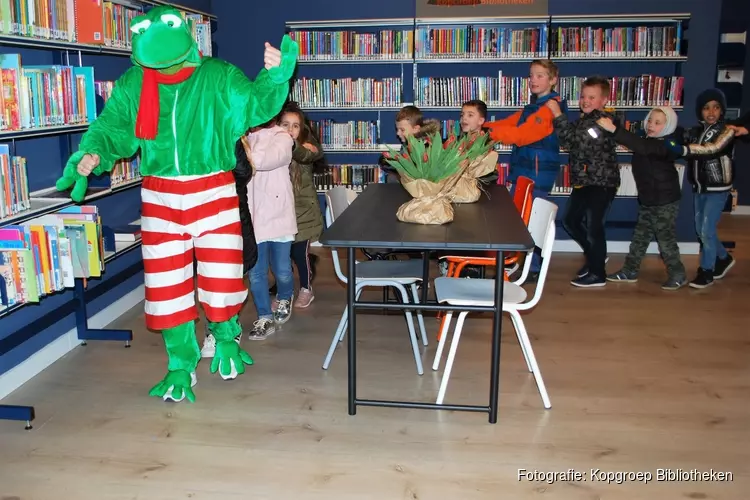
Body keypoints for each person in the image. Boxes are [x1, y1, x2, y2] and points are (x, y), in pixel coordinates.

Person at [55, 6, 297, 402]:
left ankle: (225, 338)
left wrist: (275, 74)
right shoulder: (135, 84)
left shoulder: (217, 75)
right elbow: (113, 127)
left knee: (222, 276)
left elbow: (255, 105)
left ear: (185, 33)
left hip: (213, 192)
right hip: (160, 198)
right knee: (166, 286)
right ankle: (180, 364)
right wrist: (93, 152)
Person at [485, 59, 567, 276]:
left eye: (540, 75)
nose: (533, 80)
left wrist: (487, 132)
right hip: (526, 170)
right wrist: (483, 126)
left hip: (537, 173)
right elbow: (509, 123)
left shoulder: (549, 108)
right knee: (523, 218)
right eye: (531, 75)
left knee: (533, 220)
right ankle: (525, 264)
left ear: (553, 80)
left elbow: (521, 135)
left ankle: (534, 268)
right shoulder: (533, 106)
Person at [596, 107, 688, 290]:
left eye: (657, 122)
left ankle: (678, 273)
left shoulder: (666, 145)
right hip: (648, 200)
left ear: (668, 126)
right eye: (650, 121)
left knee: (665, 239)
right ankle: (630, 270)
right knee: (640, 237)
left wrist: (615, 129)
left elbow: (643, 147)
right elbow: (636, 142)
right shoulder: (645, 140)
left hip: (665, 201)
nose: (651, 125)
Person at [546, 76, 619, 287]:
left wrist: (558, 114)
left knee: (594, 227)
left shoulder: (602, 122)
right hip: (584, 182)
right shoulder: (583, 120)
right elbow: (567, 137)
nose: (585, 100)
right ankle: (595, 256)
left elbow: (574, 141)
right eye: (583, 96)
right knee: (570, 220)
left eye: (592, 97)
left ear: (604, 100)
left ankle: (598, 274)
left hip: (601, 182)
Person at [200, 137, 259, 357]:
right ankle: (213, 332)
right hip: (205, 216)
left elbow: (243, 172)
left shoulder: (230, 135)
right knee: (211, 278)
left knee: (231, 278)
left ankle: (230, 328)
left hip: (232, 214)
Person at [245, 120, 297, 339]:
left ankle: (285, 295)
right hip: (252, 217)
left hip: (279, 215)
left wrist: (243, 147)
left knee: (282, 270)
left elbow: (259, 161)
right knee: (256, 273)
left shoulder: (283, 137)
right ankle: (265, 317)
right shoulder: (245, 136)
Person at [684, 89, 737, 289]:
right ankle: (723, 258)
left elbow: (712, 149)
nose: (711, 112)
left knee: (706, 230)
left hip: (719, 187)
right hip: (700, 187)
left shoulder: (728, 130)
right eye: (706, 108)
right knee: (701, 229)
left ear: (722, 110)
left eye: (716, 107)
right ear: (700, 111)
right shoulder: (696, 132)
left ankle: (707, 271)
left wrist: (685, 149)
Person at [277, 103, 325, 308]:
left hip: (303, 211)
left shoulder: (306, 146)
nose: (290, 130)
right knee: (280, 254)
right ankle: (283, 291)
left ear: (302, 129)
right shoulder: (274, 147)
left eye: (295, 126)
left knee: (299, 252)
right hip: (280, 211)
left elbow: (307, 155)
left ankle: (306, 288)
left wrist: (291, 144)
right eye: (285, 124)